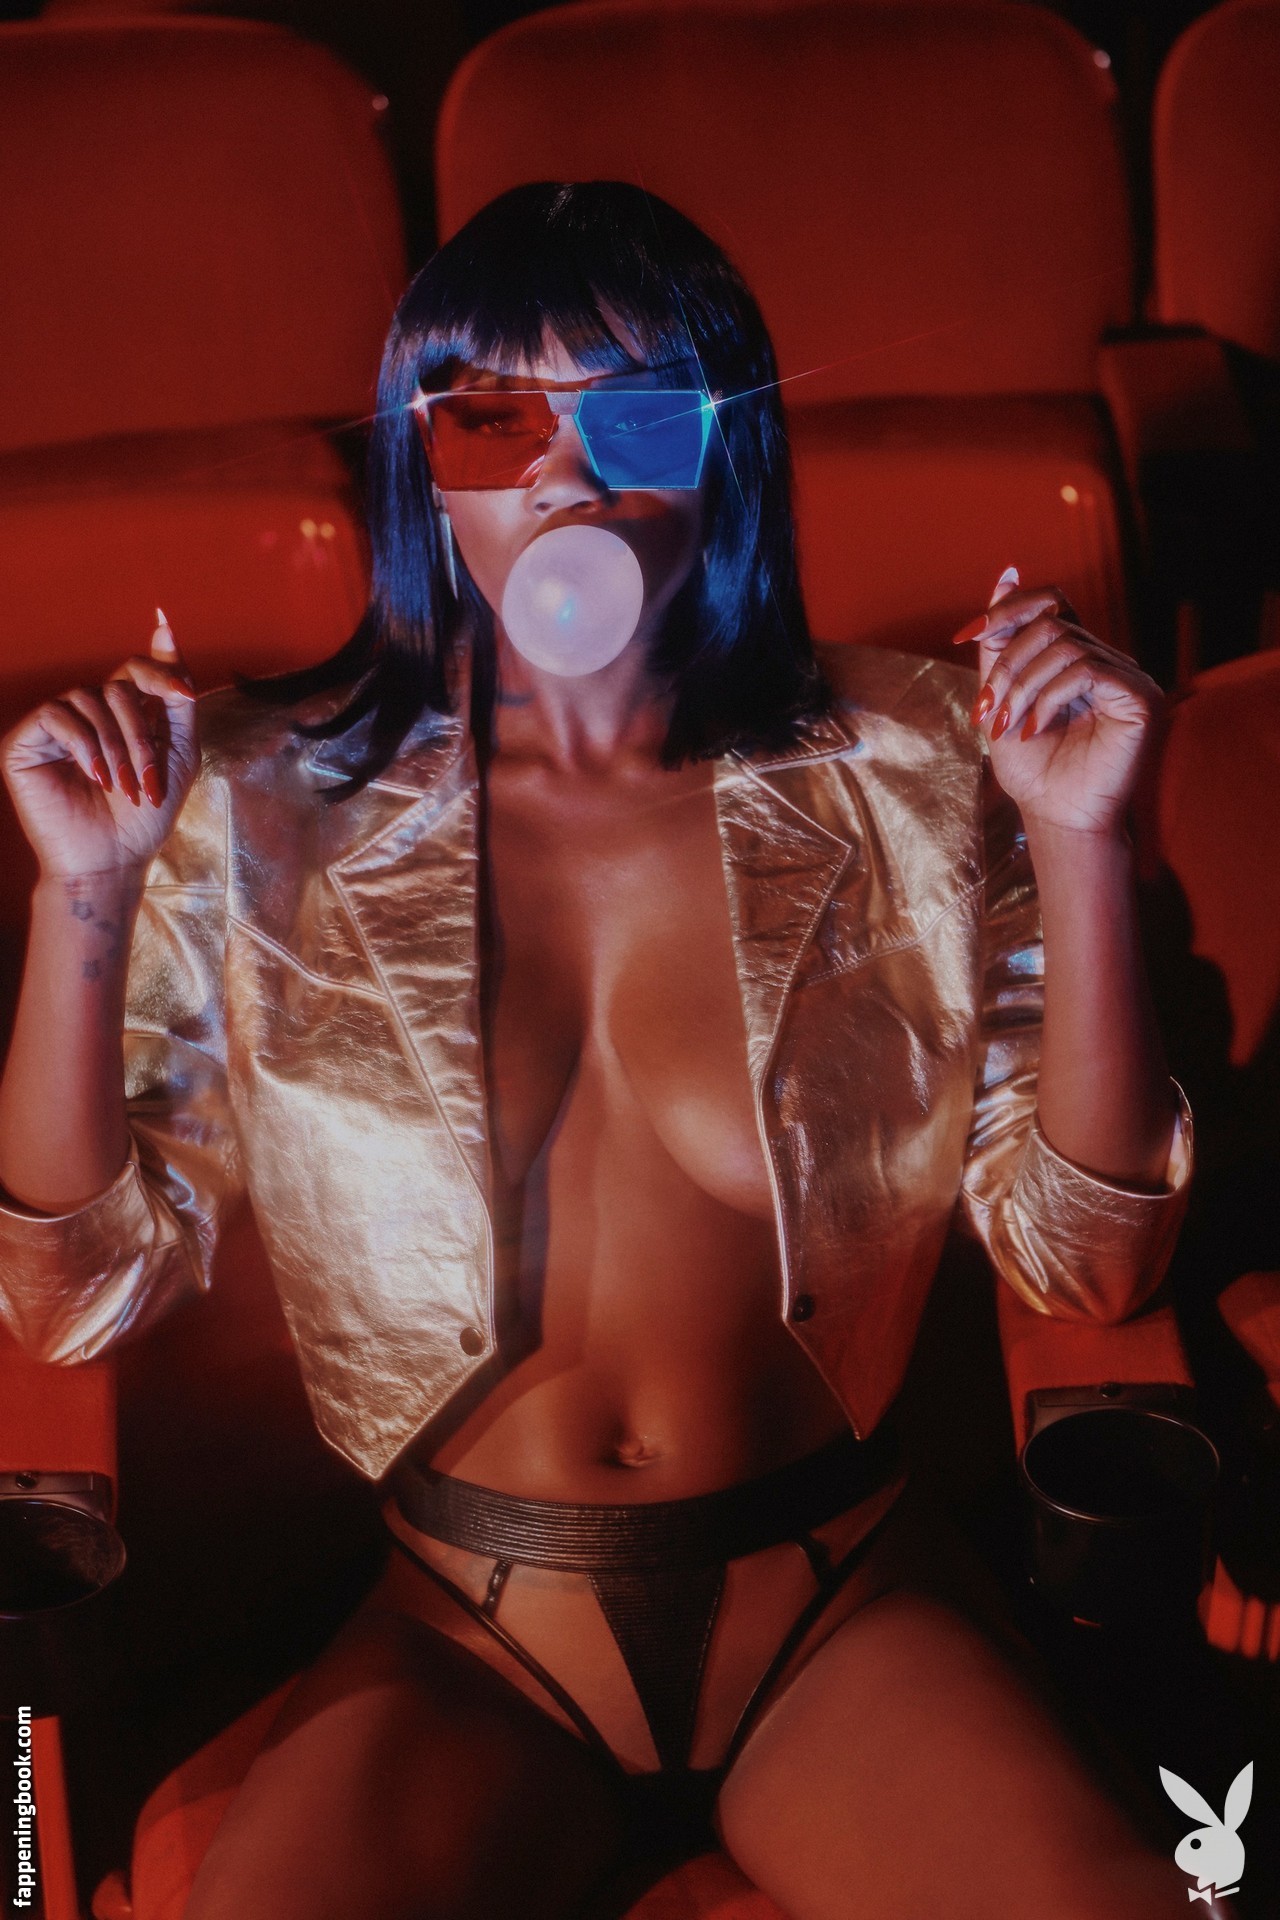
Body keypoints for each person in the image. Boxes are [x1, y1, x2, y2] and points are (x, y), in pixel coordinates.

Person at [0, 182, 1205, 1920]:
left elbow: (1092, 1267)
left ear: (725, 447)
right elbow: (68, 1301)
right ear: (426, 464)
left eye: (634, 411)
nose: (562, 473)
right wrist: (86, 893)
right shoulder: (255, 808)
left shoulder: (926, 766)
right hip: (468, 1632)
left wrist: (1080, 837)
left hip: (843, 1607)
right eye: (492, 419)